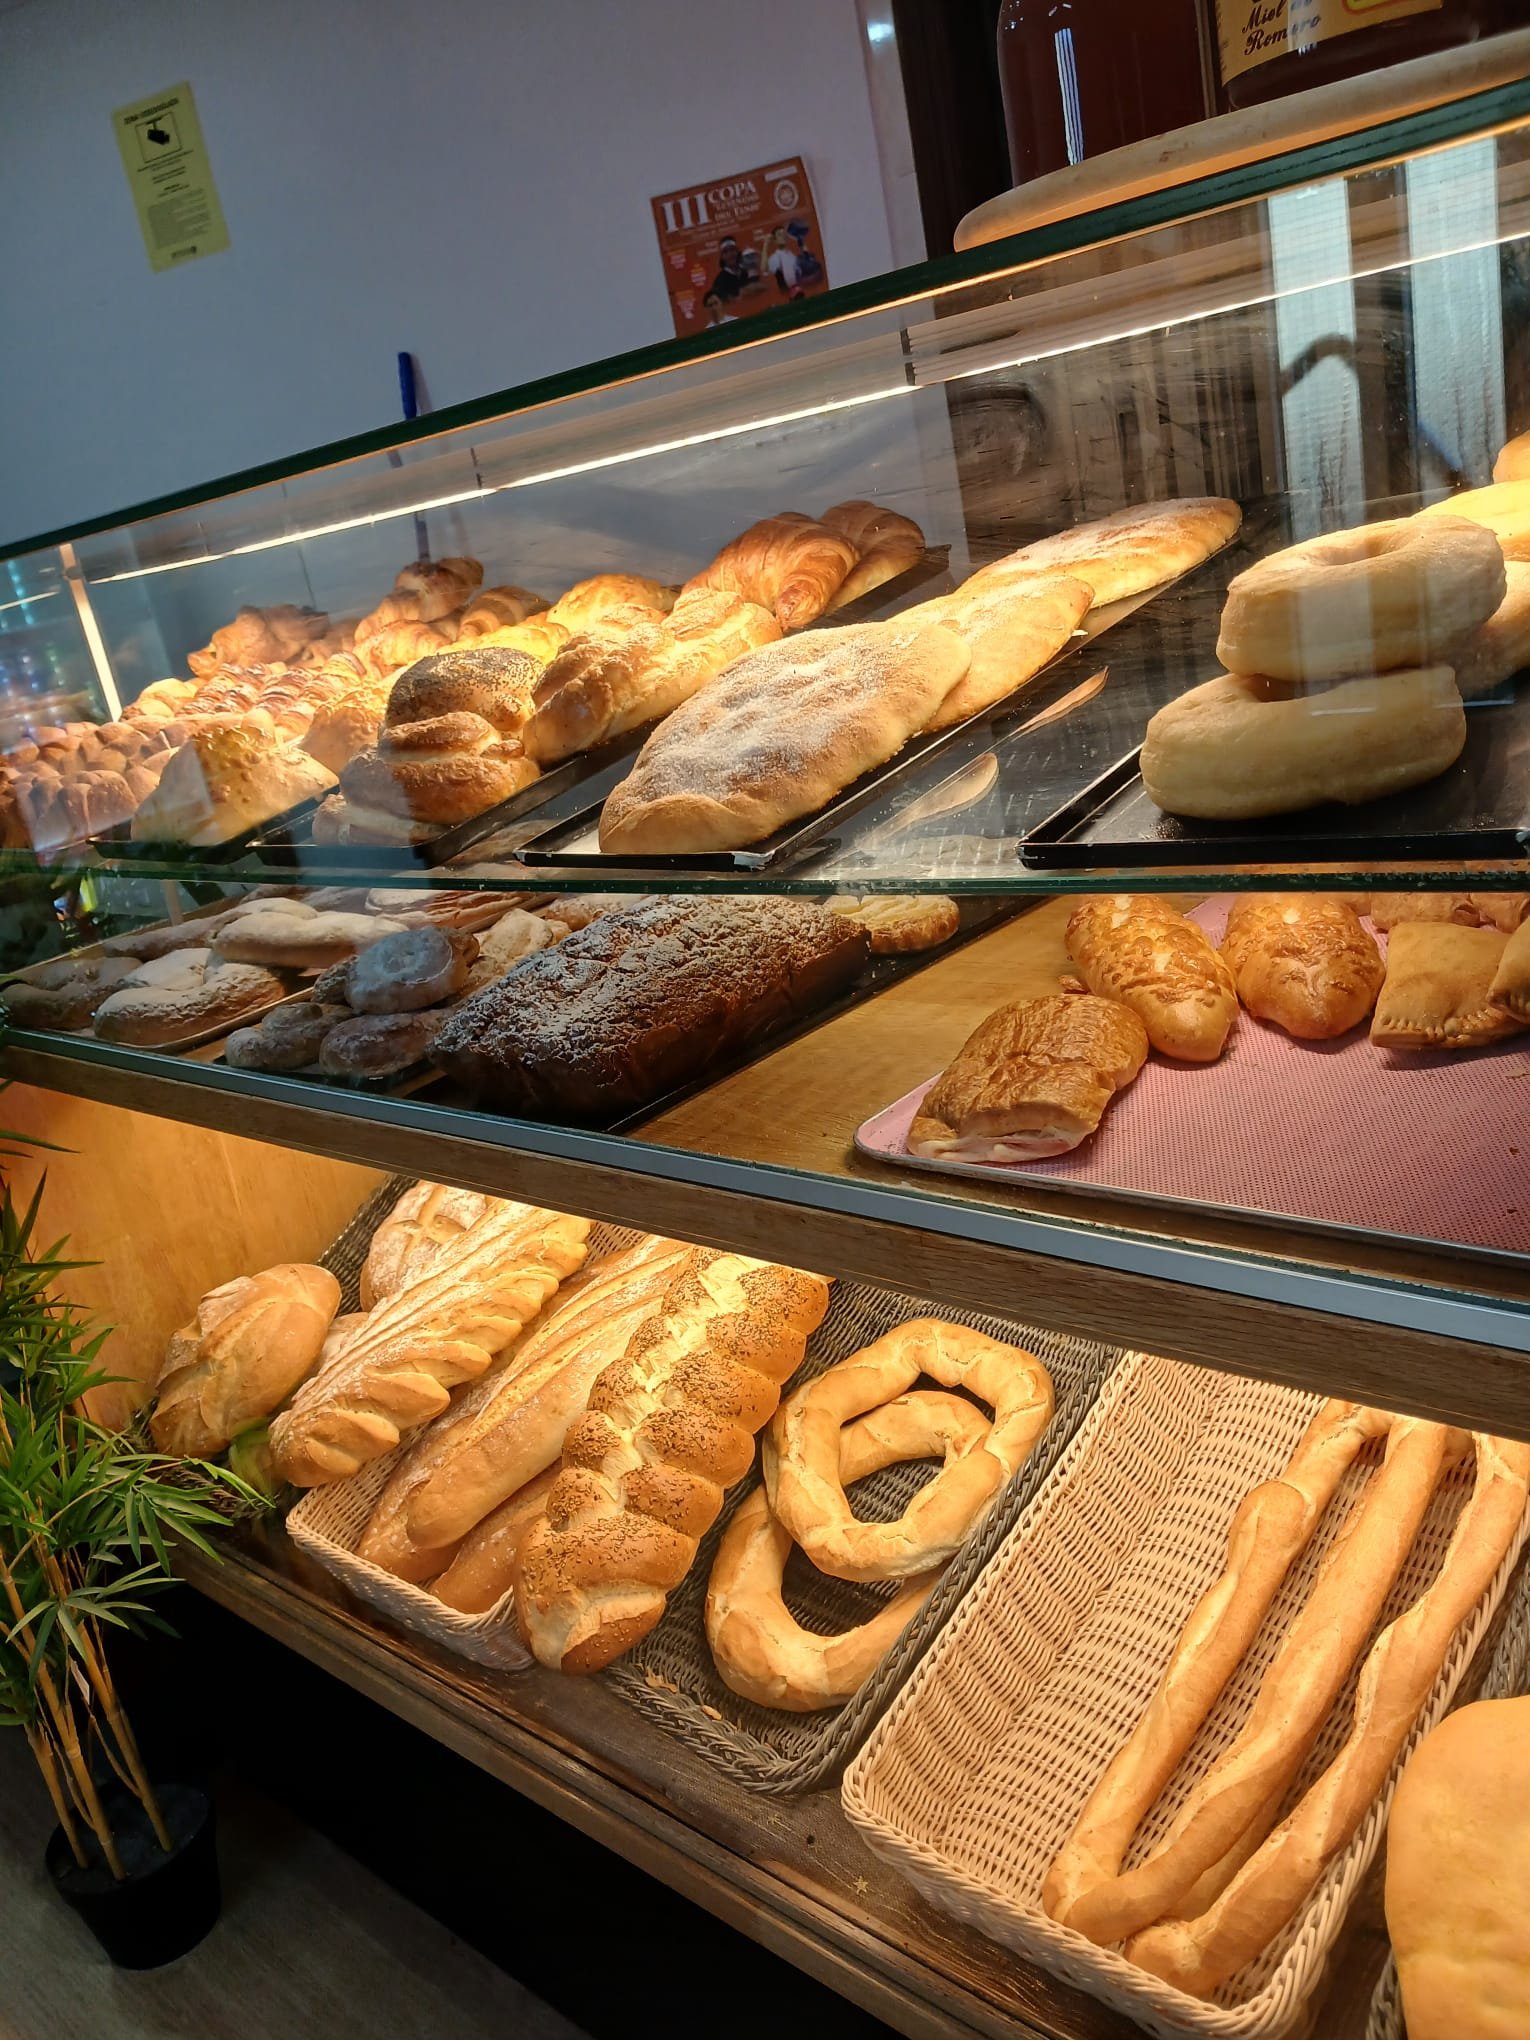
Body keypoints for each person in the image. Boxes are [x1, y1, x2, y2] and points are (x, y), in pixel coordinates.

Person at [766, 227, 802, 300]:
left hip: (800, 292)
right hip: (789, 296)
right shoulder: (774, 258)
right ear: (775, 240)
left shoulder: (793, 256)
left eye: (784, 234)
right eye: (779, 235)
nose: (783, 236)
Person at [709, 237, 748, 305]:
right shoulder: (720, 281)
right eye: (725, 252)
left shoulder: (747, 272)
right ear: (722, 257)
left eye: (732, 250)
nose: (730, 254)